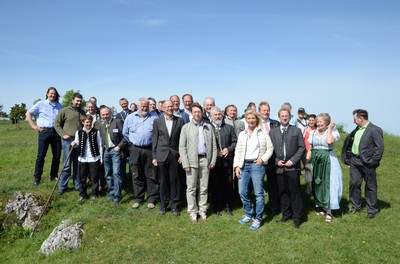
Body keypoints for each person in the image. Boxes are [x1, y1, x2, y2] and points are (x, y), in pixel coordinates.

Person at [233, 109, 274, 230]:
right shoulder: (242, 134)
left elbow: (270, 148)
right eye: (249, 118)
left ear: (257, 119)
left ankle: (258, 218)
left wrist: (263, 159)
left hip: (257, 166)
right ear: (246, 120)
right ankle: (249, 213)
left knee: (258, 194)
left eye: (253, 118)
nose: (251, 120)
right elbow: (238, 151)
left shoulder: (262, 133)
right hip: (243, 165)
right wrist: (236, 166)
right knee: (242, 191)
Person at [341, 109, 384, 219]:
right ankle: (355, 206)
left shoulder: (375, 130)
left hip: (368, 163)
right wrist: (349, 158)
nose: (353, 121)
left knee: (370, 186)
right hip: (355, 161)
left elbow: (379, 148)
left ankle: (372, 210)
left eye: (355, 119)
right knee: (354, 184)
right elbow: (350, 144)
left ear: (361, 118)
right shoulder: (357, 130)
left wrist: (373, 162)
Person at [179, 102, 217, 223]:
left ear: (202, 113)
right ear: (191, 113)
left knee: (204, 188)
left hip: (205, 160)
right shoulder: (186, 128)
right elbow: (182, 147)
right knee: (191, 188)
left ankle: (202, 211)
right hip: (191, 161)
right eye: (194, 112)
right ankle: (193, 212)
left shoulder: (208, 127)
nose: (197, 114)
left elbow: (214, 146)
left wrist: (212, 160)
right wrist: (185, 163)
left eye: (199, 112)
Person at [269, 107, 305, 228]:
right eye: (282, 116)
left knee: (294, 193)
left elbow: (302, 148)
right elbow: (269, 150)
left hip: (292, 167)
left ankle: (297, 217)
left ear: (290, 117)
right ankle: (286, 214)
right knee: (283, 192)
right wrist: (276, 161)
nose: (284, 118)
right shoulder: (273, 132)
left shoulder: (296, 131)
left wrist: (292, 161)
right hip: (279, 168)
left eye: (287, 116)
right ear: (279, 117)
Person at [123, 98, 159, 209]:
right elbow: (125, 133)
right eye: (142, 106)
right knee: (136, 174)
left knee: (151, 174)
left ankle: (151, 199)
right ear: (138, 106)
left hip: (149, 149)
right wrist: (134, 144)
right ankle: (138, 198)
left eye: (146, 106)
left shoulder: (155, 118)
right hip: (135, 149)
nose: (144, 108)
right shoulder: (130, 118)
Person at [306, 113, 343, 223]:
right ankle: (322, 206)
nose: (318, 123)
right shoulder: (313, 132)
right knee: (318, 183)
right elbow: (310, 148)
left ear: (327, 122)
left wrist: (330, 129)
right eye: (317, 121)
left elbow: (329, 141)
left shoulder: (333, 132)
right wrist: (307, 160)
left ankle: (329, 211)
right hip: (317, 160)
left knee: (328, 184)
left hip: (328, 160)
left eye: (321, 121)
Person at [152, 100, 184, 216]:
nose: (170, 108)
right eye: (168, 107)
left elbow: (182, 139)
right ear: (163, 108)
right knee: (163, 181)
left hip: (175, 155)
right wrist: (154, 156)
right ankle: (163, 205)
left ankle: (175, 205)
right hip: (161, 154)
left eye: (172, 106)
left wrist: (182, 155)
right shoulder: (157, 121)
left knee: (175, 180)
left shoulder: (179, 121)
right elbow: (155, 139)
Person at [26, 87, 62, 185]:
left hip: (56, 133)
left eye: (54, 94)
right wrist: (34, 126)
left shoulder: (59, 106)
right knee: (41, 155)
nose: (52, 95)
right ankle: (37, 178)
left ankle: (53, 175)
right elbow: (28, 113)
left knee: (57, 155)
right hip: (44, 132)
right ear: (47, 94)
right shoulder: (40, 104)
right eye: (51, 93)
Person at [54, 92, 86, 195]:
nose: (79, 102)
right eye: (77, 100)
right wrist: (63, 134)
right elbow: (57, 124)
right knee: (67, 164)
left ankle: (77, 185)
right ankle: (62, 186)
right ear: (72, 100)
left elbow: (86, 124)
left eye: (80, 101)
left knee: (78, 164)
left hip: (79, 140)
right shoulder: (64, 111)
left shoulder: (82, 112)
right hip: (68, 140)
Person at [209, 106, 237, 216]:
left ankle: (228, 206)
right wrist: (215, 151)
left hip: (227, 162)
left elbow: (235, 142)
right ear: (211, 116)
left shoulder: (229, 128)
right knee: (215, 186)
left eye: (219, 114)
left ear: (222, 115)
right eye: (215, 115)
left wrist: (228, 149)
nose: (217, 116)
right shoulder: (208, 128)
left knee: (228, 185)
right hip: (214, 163)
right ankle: (217, 207)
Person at [99, 106, 128, 205]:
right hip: (106, 151)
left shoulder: (118, 122)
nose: (105, 116)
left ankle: (117, 197)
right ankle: (110, 194)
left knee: (116, 173)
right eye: (103, 115)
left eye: (107, 114)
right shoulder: (102, 125)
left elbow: (125, 136)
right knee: (108, 174)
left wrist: (119, 147)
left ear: (110, 113)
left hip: (116, 150)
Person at [71, 115, 103, 204]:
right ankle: (83, 195)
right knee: (82, 178)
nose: (88, 124)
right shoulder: (79, 132)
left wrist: (101, 158)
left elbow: (100, 145)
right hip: (82, 158)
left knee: (94, 178)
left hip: (94, 158)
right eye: (86, 122)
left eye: (89, 122)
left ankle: (94, 194)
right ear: (83, 122)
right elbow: (77, 143)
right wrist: (74, 143)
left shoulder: (96, 132)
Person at [258, 101, 281, 215]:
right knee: (259, 185)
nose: (266, 112)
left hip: (273, 158)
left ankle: (274, 207)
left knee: (273, 184)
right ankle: (260, 209)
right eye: (264, 110)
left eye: (268, 110)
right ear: (259, 111)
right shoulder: (255, 123)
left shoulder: (275, 123)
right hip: (259, 158)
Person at [303, 114, 317, 195]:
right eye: (310, 120)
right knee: (307, 170)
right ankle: (309, 189)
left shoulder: (317, 129)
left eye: (313, 120)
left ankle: (315, 187)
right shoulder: (305, 129)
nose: (311, 122)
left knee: (314, 170)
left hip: (314, 152)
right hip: (305, 152)